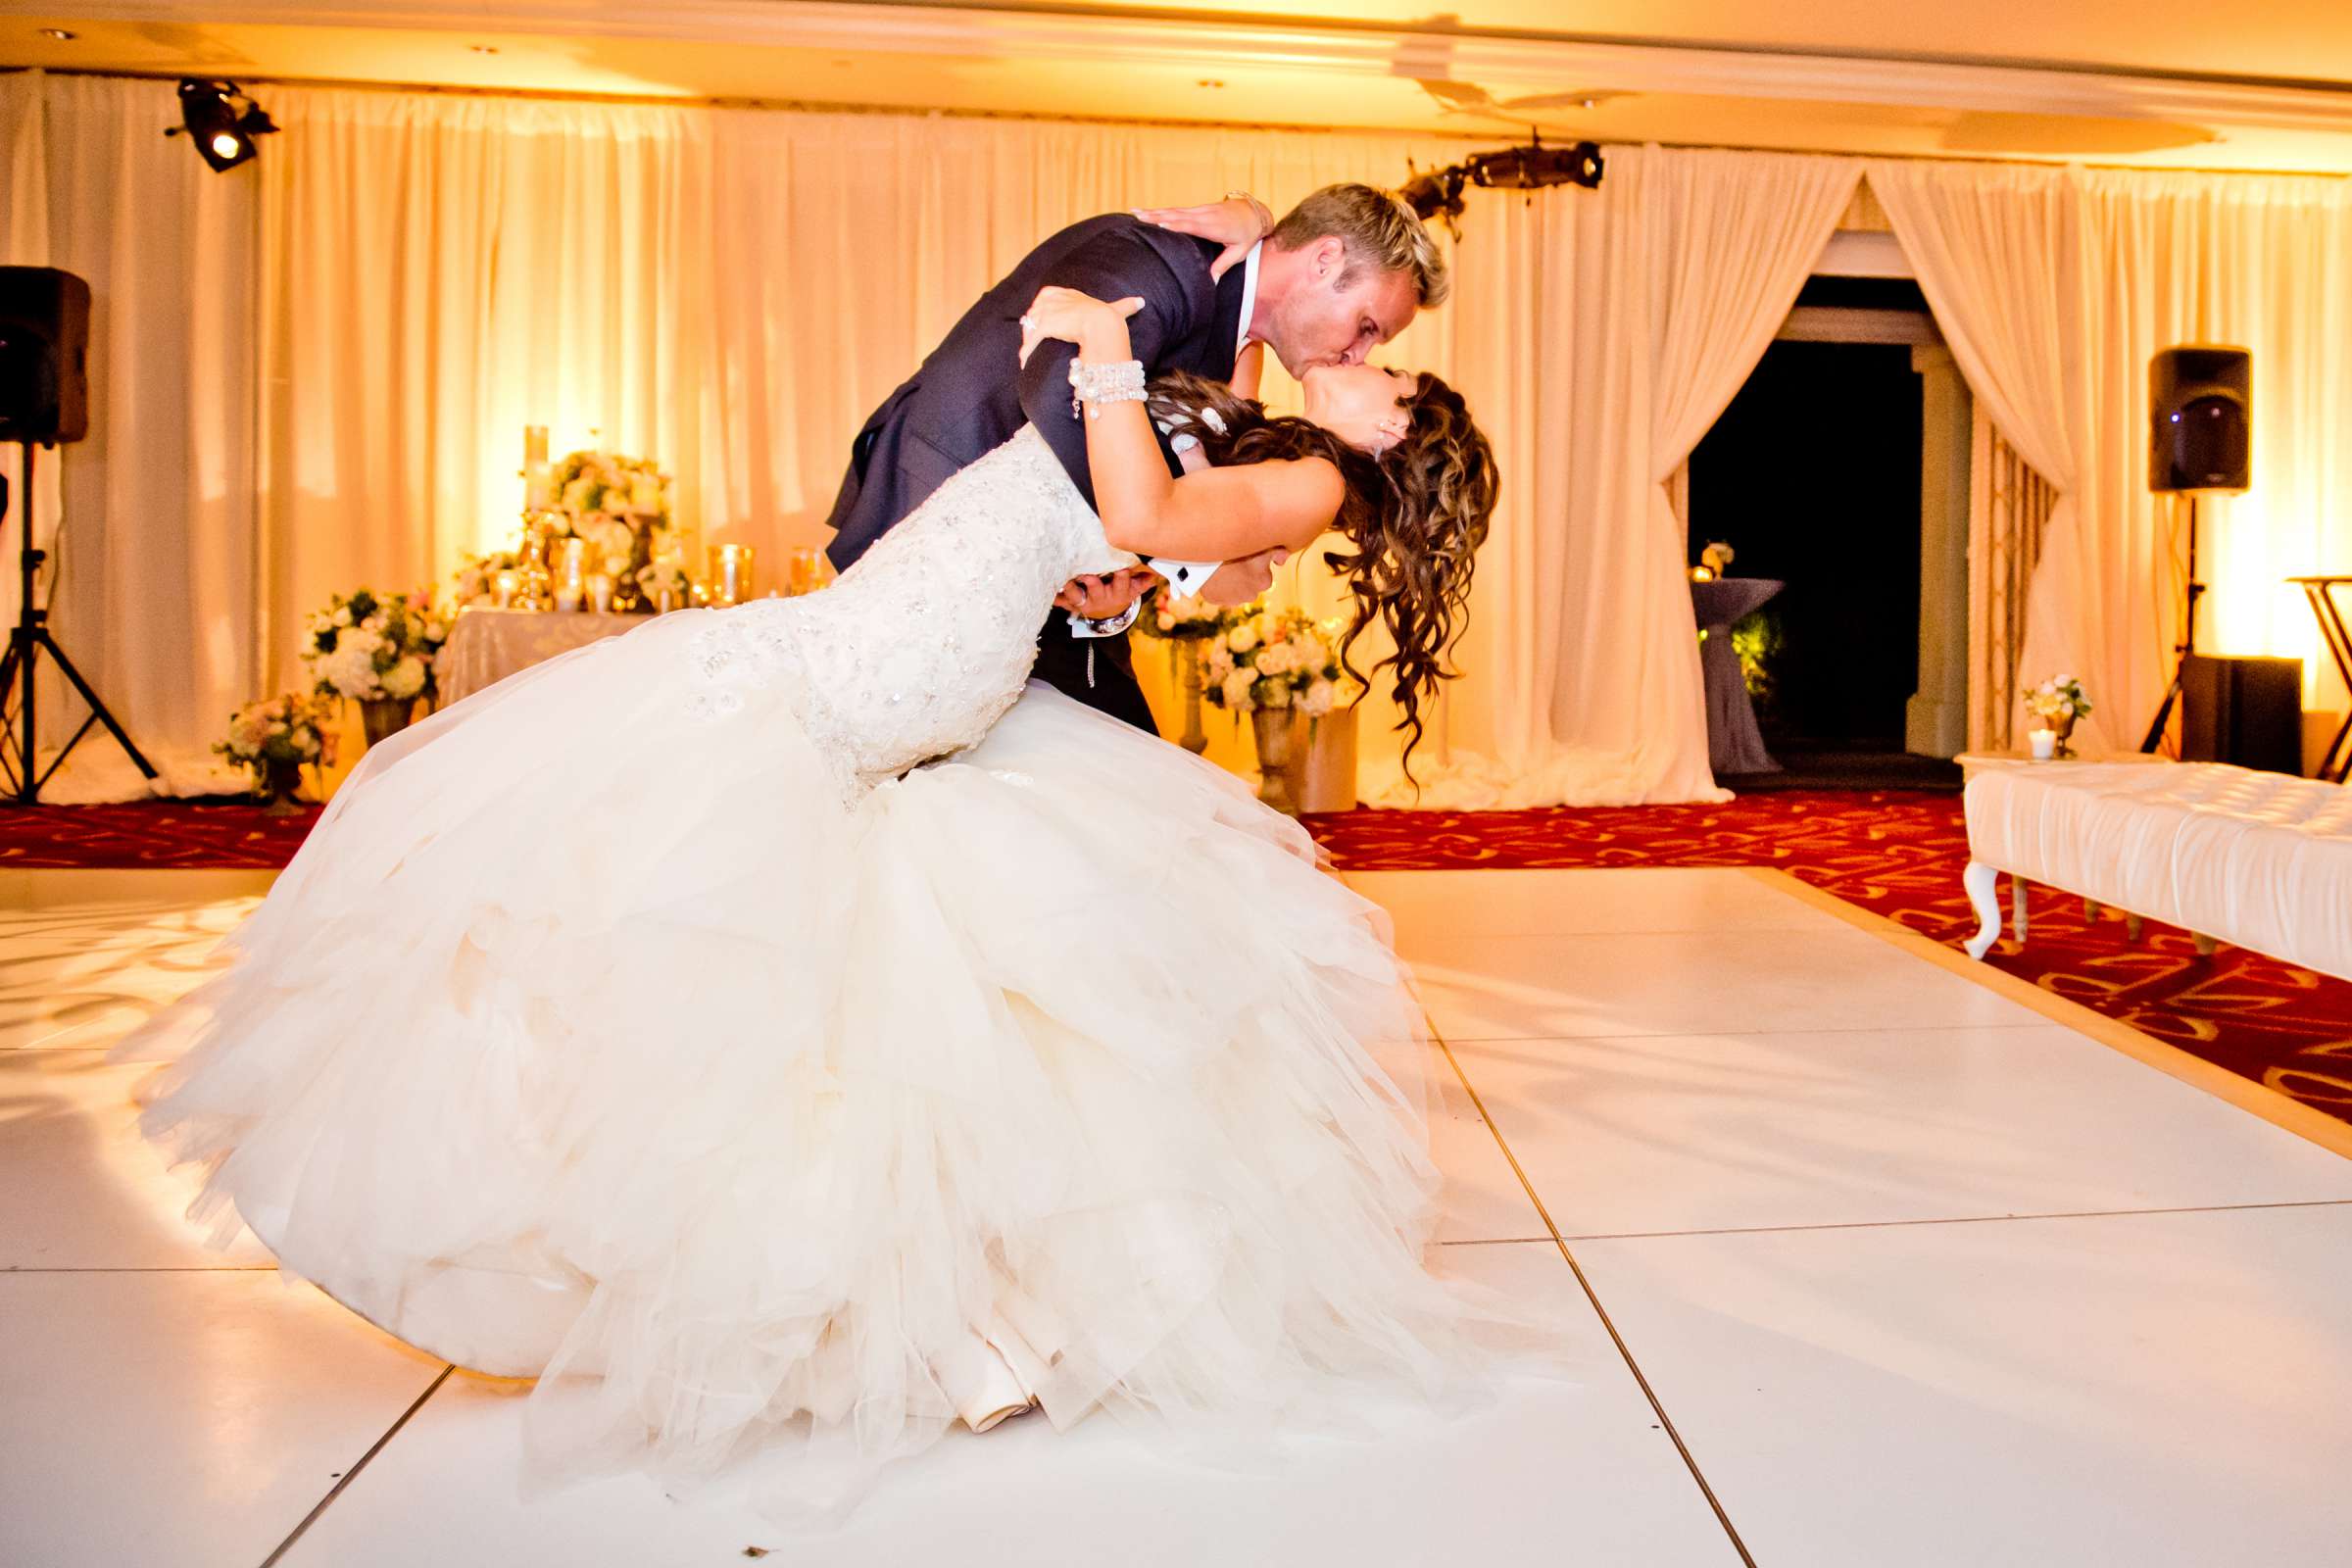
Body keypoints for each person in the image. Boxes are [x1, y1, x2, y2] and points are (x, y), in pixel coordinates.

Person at [111, 262, 1512, 1521]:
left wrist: (1099, 348)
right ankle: (938, 1318)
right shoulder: (1282, 446)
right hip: (919, 641)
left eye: (1393, 369)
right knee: (791, 944)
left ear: (1389, 433)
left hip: (886, 657)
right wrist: (1120, 587)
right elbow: (1142, 534)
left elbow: (1142, 499)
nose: (1377, 355)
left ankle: (763, 1273)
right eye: (1382, 339)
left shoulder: (1320, 474)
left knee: (670, 891)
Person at [824, 183, 1448, 734]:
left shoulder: (1240, 353)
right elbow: (1056, 387)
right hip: (940, 504)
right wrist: (1183, 559)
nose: (1356, 355)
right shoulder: (1168, 263)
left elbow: (1149, 480)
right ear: (1324, 259)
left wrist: (1120, 591)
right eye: (1368, 326)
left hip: (1037, 588)